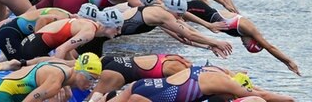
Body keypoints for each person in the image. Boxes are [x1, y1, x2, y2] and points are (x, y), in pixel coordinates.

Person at [185, 0, 301, 76]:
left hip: (199, 15)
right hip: (198, 9)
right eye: (246, 45)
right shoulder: (248, 28)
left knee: (183, 34)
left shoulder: (241, 33)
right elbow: (269, 47)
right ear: (253, 40)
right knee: (171, 15)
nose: (243, 44)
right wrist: (288, 61)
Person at [0, 7, 72, 77]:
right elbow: (42, 20)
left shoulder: (65, 15)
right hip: (9, 35)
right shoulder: (64, 19)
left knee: (37, 63)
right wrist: (36, 40)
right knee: (22, 67)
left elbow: (65, 49)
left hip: (14, 31)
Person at [110, 64, 295, 102]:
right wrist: (289, 99)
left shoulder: (218, 70)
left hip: (145, 85)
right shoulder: (225, 84)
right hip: (156, 98)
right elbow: (260, 96)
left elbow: (253, 88)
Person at [0, 52, 102, 101]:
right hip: (3, 95)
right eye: (90, 78)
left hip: (7, 90)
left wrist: (23, 63)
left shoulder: (63, 66)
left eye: (95, 81)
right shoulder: (55, 83)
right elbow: (29, 100)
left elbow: (44, 59)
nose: (91, 84)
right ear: (79, 71)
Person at [16, 7, 123, 60]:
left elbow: (66, 51)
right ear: (109, 25)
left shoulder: (88, 24)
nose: (119, 32)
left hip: (30, 43)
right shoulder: (89, 32)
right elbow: (60, 50)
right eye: (117, 28)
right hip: (33, 48)